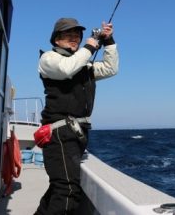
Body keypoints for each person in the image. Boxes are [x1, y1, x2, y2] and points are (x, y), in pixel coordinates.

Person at [35, 18, 119, 214]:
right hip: (60, 134)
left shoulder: (83, 65)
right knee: (67, 191)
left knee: (60, 187)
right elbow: (67, 68)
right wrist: (89, 46)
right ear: (56, 40)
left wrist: (108, 41)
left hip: (77, 133)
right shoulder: (48, 59)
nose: (75, 39)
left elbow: (110, 68)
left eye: (78, 36)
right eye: (68, 35)